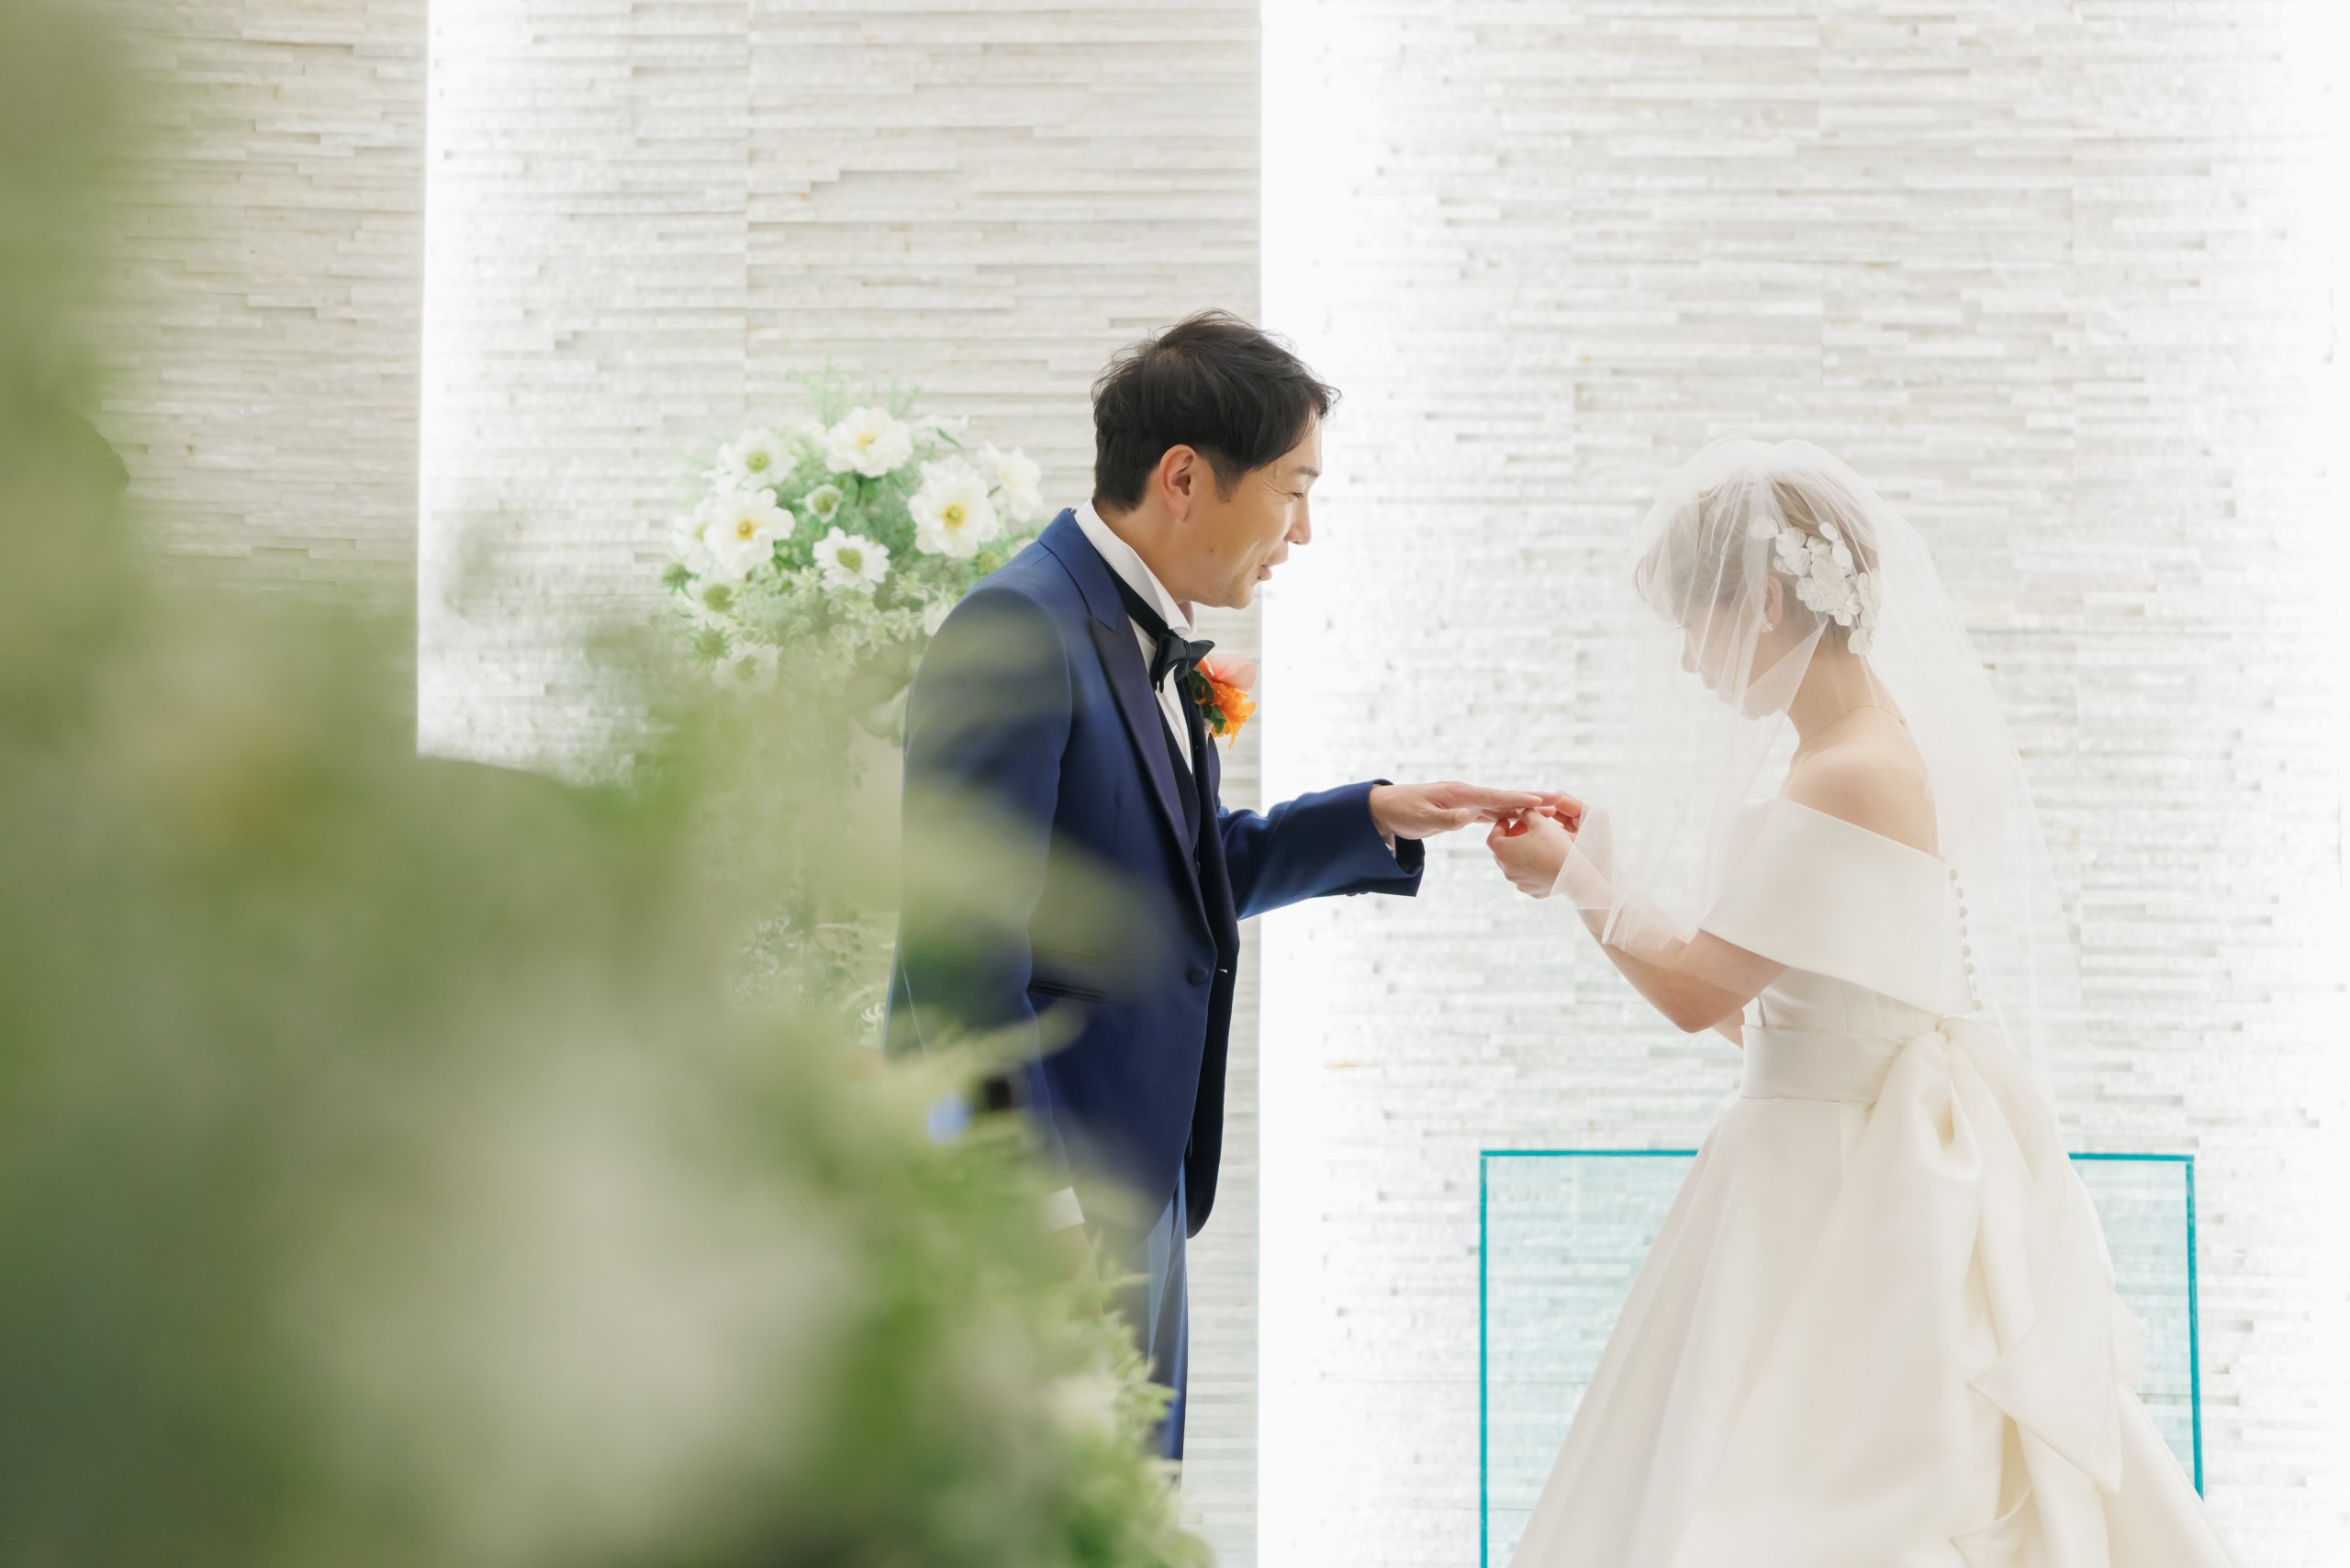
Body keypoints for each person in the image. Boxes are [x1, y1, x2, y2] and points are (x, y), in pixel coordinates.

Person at [1484, 438, 2237, 1566]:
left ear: (1765, 601)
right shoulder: (1875, 746)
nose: (1690, 662)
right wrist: (1600, 870)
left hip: (1832, 1172)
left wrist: (1575, 882)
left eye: (1696, 623)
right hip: (1835, 1132)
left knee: (1798, 1479)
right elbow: (1765, 1013)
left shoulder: (1842, 773)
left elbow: (1696, 995)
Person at [886, 310, 1564, 1462]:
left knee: (1130, 1515)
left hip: (1140, 1193)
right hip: (1041, 1208)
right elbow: (958, 956)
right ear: (1185, 478)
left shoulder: (1139, 632)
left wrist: (1372, 815)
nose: (1302, 531)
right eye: (1294, 491)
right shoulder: (1019, 627)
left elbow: (1158, 883)